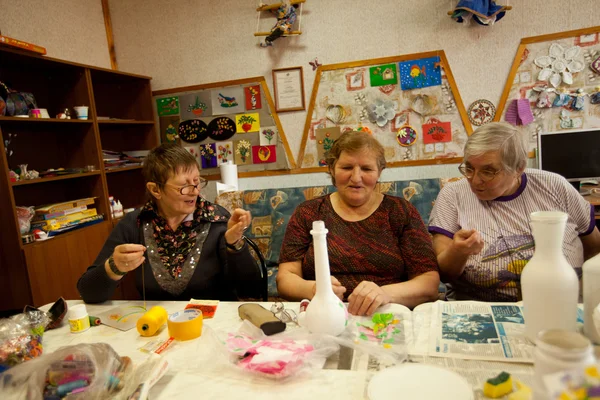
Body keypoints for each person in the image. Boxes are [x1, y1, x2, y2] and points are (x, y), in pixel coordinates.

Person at [429, 122, 600, 302]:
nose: (475, 180)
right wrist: (458, 251)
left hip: (563, 301)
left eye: (488, 171)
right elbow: (444, 274)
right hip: (485, 308)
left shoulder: (555, 186)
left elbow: (594, 246)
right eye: (469, 168)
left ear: (519, 167)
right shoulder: (453, 195)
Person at [277, 131, 440, 316]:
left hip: (385, 316)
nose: (356, 178)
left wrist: (384, 293)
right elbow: (285, 277)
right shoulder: (308, 212)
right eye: (346, 167)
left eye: (367, 169)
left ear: (379, 172)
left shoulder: (401, 211)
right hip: (323, 315)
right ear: (332, 169)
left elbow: (429, 282)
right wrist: (314, 289)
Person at [77, 143, 262, 303]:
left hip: (213, 325)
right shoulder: (135, 224)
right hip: (158, 329)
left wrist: (235, 244)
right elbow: (88, 292)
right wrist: (113, 267)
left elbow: (251, 290)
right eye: (184, 186)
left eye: (197, 182)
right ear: (155, 189)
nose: (195, 192)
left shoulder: (216, 219)